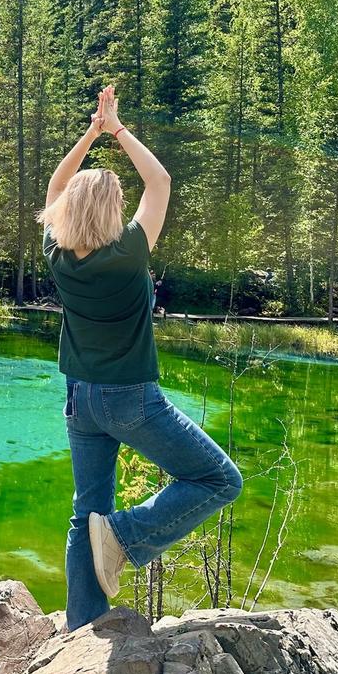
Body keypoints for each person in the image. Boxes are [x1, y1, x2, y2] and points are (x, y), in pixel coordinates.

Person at [39, 85, 242, 631]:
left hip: (80, 400)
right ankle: (125, 536)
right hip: (129, 398)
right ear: (112, 210)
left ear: (69, 209)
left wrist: (91, 134)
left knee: (86, 514)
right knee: (220, 480)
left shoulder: (57, 253)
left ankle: (82, 629)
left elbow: (56, 186)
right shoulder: (129, 252)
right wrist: (117, 129)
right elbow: (160, 181)